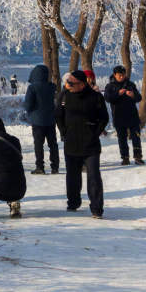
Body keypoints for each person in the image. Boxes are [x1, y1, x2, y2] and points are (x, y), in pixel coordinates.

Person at [56, 70, 109, 218]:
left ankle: (97, 208)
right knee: (72, 176)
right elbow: (58, 115)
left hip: (90, 144)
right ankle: (73, 202)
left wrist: (95, 132)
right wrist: (64, 132)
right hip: (71, 142)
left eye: (71, 83)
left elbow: (104, 118)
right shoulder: (65, 96)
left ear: (82, 84)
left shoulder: (96, 97)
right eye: (68, 82)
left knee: (93, 176)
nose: (68, 85)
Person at [103, 65, 144, 165]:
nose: (122, 77)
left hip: (132, 116)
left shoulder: (130, 84)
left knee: (136, 137)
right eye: (119, 75)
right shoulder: (110, 86)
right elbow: (107, 98)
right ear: (115, 75)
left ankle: (138, 157)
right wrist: (118, 94)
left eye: (123, 75)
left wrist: (133, 95)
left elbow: (139, 98)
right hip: (118, 116)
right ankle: (125, 157)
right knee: (122, 138)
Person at [23, 64, 59, 174]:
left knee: (39, 144)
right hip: (51, 119)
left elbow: (28, 104)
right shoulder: (52, 86)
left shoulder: (32, 87)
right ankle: (55, 167)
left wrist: (29, 111)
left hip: (37, 120)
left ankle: (40, 167)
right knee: (53, 144)